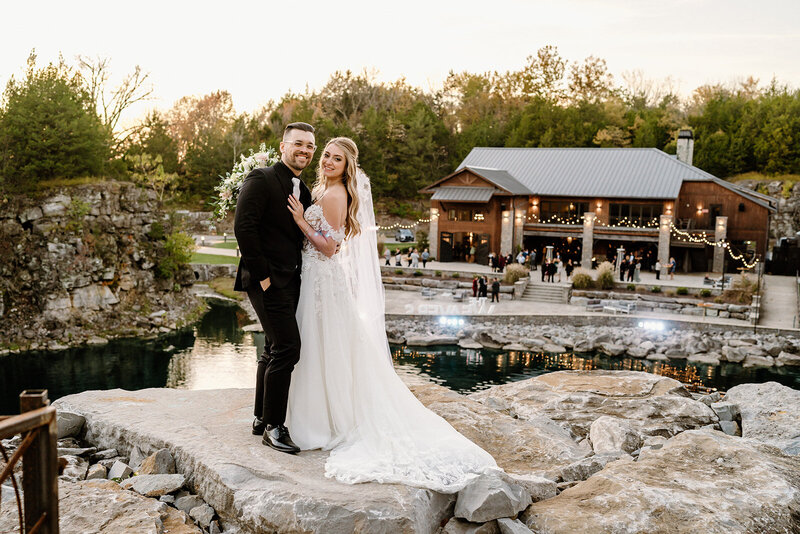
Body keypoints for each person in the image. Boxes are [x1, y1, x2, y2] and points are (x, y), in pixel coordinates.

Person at [285, 137, 497, 491]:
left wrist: (300, 222)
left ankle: (324, 421)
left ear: (347, 166)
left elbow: (330, 248)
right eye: (326, 156)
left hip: (322, 278)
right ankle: (313, 414)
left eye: (337, 159)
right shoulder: (322, 188)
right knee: (318, 345)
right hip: (313, 278)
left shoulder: (336, 196)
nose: (328, 162)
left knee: (324, 345)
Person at [234, 122, 315, 454]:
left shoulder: (304, 190)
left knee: (271, 347)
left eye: (310, 146)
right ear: (283, 146)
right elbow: (244, 227)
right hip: (266, 280)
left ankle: (259, 417)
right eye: (298, 144)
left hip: (291, 279)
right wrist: (264, 276)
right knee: (288, 348)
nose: (305, 150)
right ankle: (274, 427)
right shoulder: (262, 178)